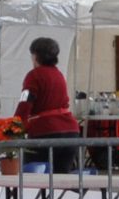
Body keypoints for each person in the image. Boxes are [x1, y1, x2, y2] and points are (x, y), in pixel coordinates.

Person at [14, 36, 80, 172]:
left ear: (35, 55)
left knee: (31, 173)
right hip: (70, 132)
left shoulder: (33, 76)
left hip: (46, 131)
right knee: (61, 176)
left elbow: (25, 101)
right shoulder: (59, 75)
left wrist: (14, 126)